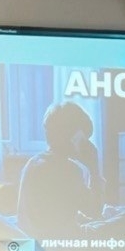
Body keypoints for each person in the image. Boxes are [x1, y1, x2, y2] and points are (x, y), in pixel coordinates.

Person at [17, 100, 104, 240]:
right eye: (84, 139)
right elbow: (95, 211)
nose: (86, 145)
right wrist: (94, 169)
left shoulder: (32, 163)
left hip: (34, 238)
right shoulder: (69, 170)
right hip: (64, 242)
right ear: (73, 138)